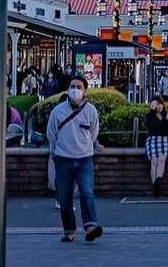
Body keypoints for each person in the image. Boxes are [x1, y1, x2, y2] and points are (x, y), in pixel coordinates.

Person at [47, 75, 103, 243]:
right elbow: (51, 134)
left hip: (85, 158)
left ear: (85, 90)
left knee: (87, 192)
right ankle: (69, 230)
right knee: (65, 198)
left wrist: (88, 146)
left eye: (79, 87)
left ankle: (91, 226)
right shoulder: (58, 111)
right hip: (63, 159)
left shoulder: (91, 110)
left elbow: (94, 133)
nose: (75, 89)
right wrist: (56, 153)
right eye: (73, 86)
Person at [144, 96, 168, 197]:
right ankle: (155, 186)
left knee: (161, 158)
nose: (159, 106)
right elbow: (154, 126)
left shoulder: (166, 114)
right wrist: (152, 112)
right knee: (154, 161)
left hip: (165, 139)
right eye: (156, 104)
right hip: (152, 139)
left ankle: (158, 182)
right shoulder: (149, 116)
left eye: (160, 103)